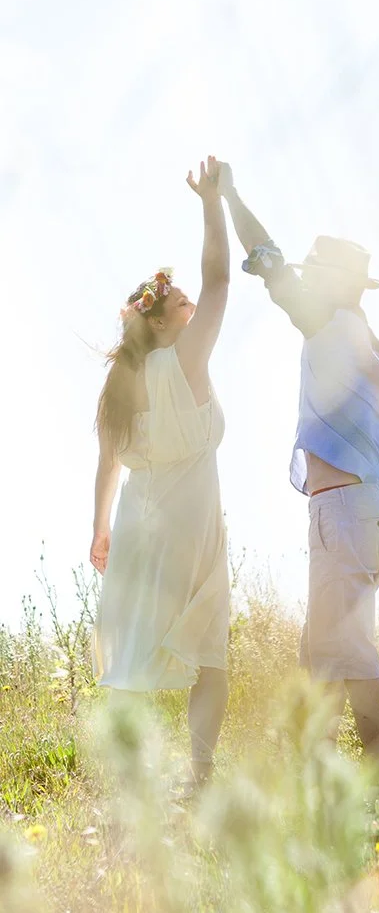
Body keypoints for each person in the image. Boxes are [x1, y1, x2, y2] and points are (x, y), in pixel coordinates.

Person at [217, 160, 379, 813]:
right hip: (369, 511)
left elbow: (267, 260)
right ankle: (323, 786)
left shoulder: (329, 324)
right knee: (323, 649)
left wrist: (231, 195)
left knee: (349, 653)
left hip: (344, 510)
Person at [90, 156, 231, 794]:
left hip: (138, 525)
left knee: (131, 661)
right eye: (176, 300)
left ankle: (129, 790)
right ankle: (199, 779)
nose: (188, 299)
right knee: (208, 657)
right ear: (158, 322)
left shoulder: (125, 382)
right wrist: (211, 202)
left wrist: (99, 529)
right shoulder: (185, 360)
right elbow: (222, 281)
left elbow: (109, 460)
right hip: (189, 527)